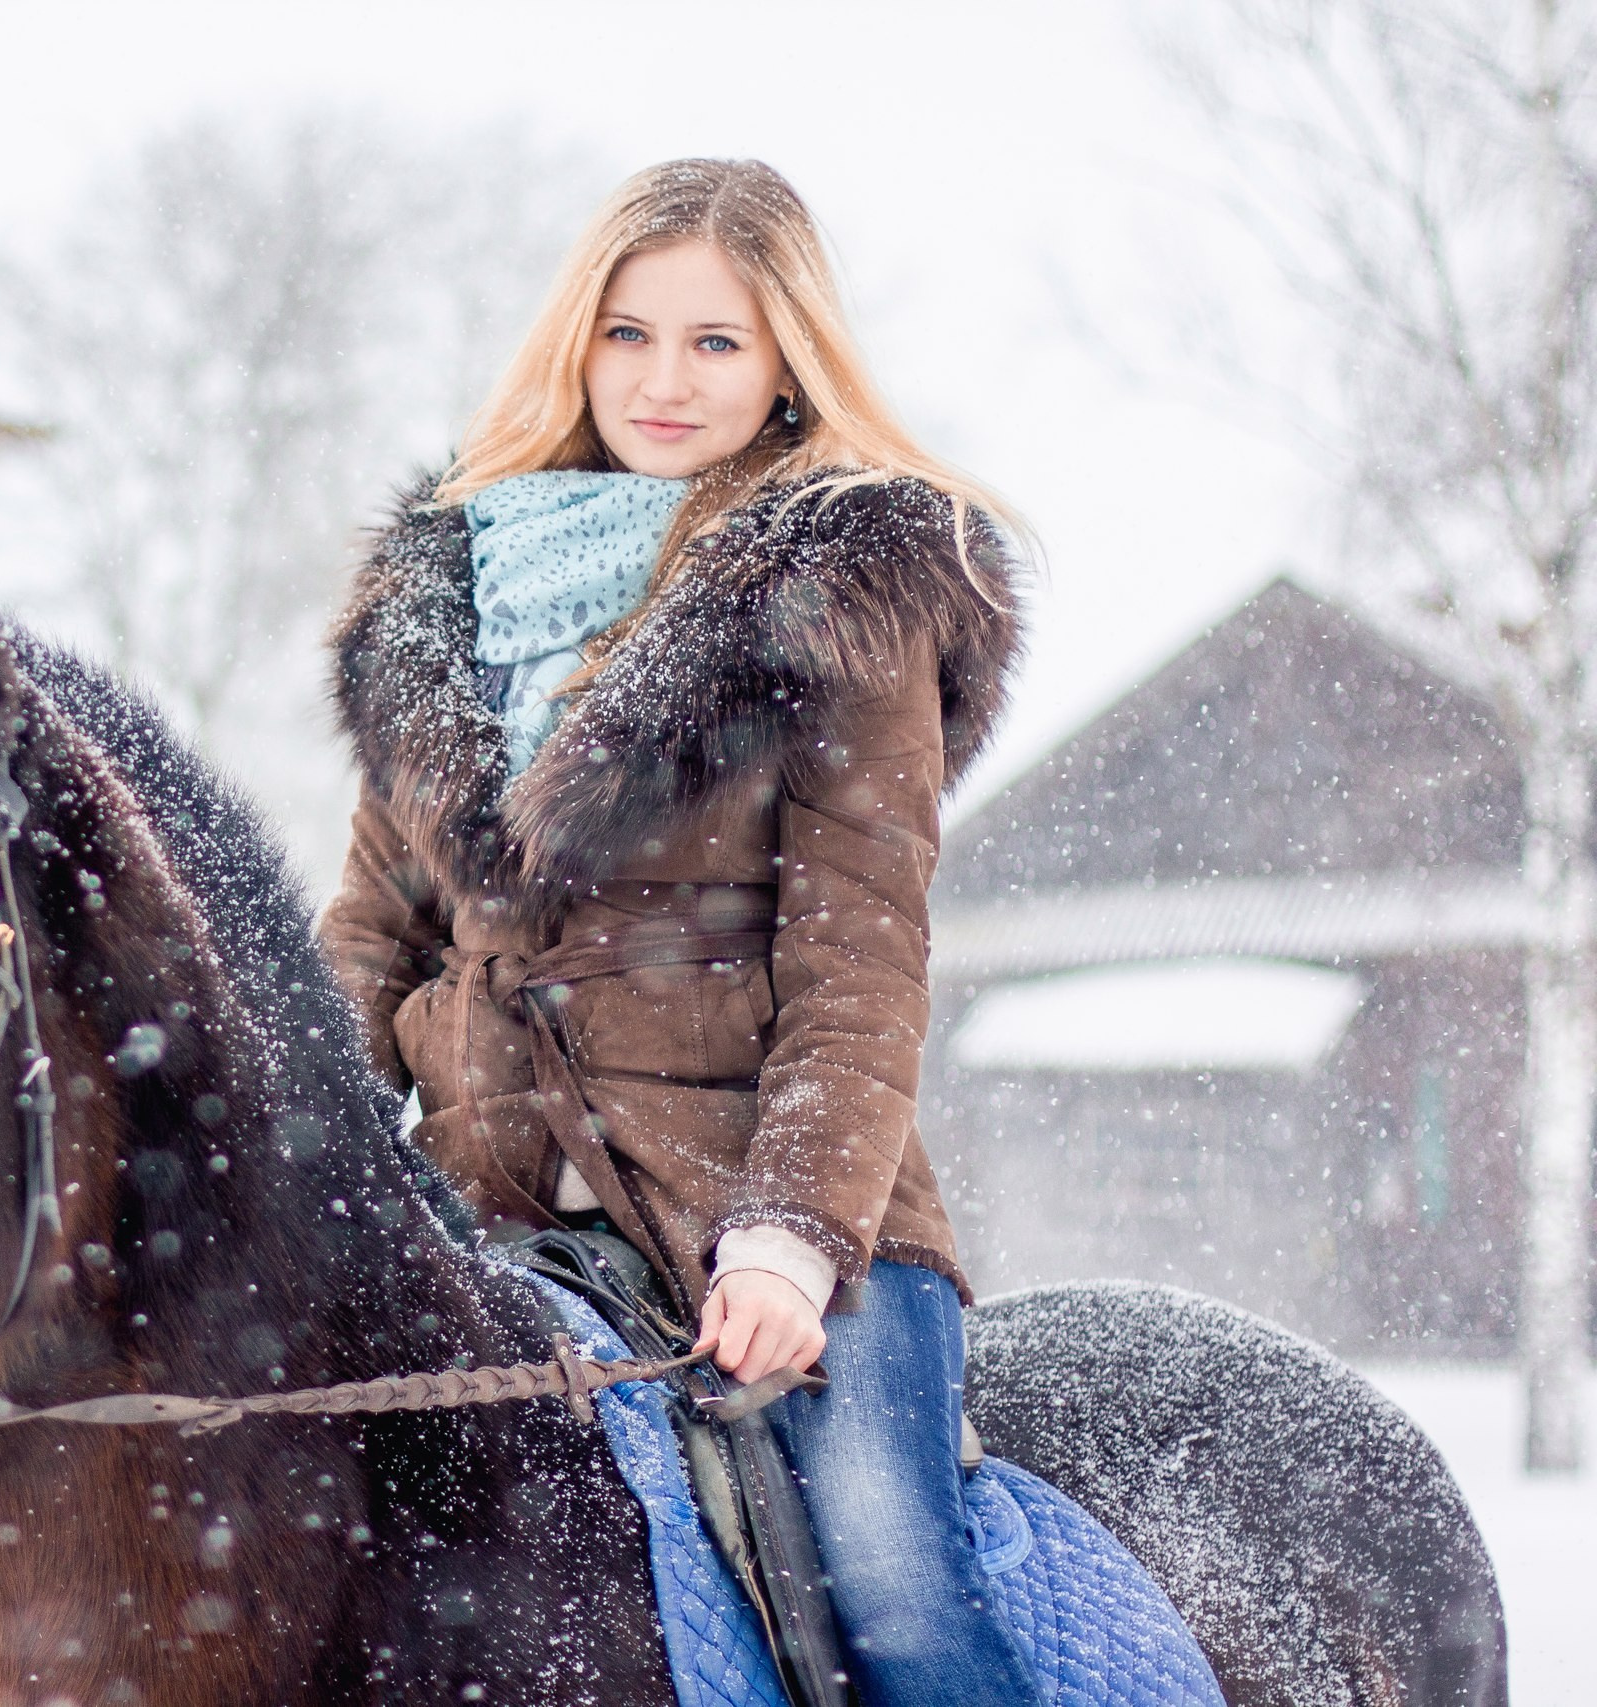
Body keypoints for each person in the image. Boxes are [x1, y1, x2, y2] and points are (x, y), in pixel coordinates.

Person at [318, 158, 1036, 1704]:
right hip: (485, 1209)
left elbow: (860, 961)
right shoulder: (446, 593)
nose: (664, 380)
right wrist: (292, 1143)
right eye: (629, 334)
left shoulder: (845, 583)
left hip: (771, 1213)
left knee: (888, 1584)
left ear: (787, 361)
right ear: (576, 343)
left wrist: (789, 1243)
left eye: (716, 341)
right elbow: (373, 934)